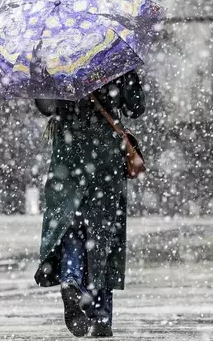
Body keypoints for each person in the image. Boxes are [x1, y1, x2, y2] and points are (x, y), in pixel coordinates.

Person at [33, 70, 146, 337]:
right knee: (101, 233)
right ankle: (101, 315)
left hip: (68, 156)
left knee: (70, 227)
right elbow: (136, 107)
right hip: (104, 152)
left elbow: (46, 107)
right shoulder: (114, 58)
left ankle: (71, 280)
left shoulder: (56, 58)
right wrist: (127, 79)